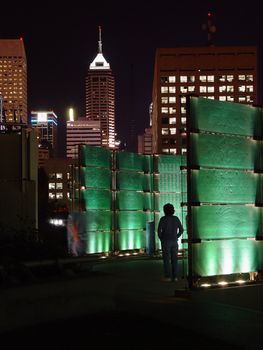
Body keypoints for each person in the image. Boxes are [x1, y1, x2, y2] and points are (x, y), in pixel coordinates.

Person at [157, 203, 184, 282]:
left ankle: (167, 276)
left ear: (165, 210)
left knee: (166, 260)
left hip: (165, 241)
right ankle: (175, 276)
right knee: (174, 259)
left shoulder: (163, 219)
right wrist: (177, 236)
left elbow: (159, 231)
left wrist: (161, 238)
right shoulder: (176, 218)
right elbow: (181, 230)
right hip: (174, 241)